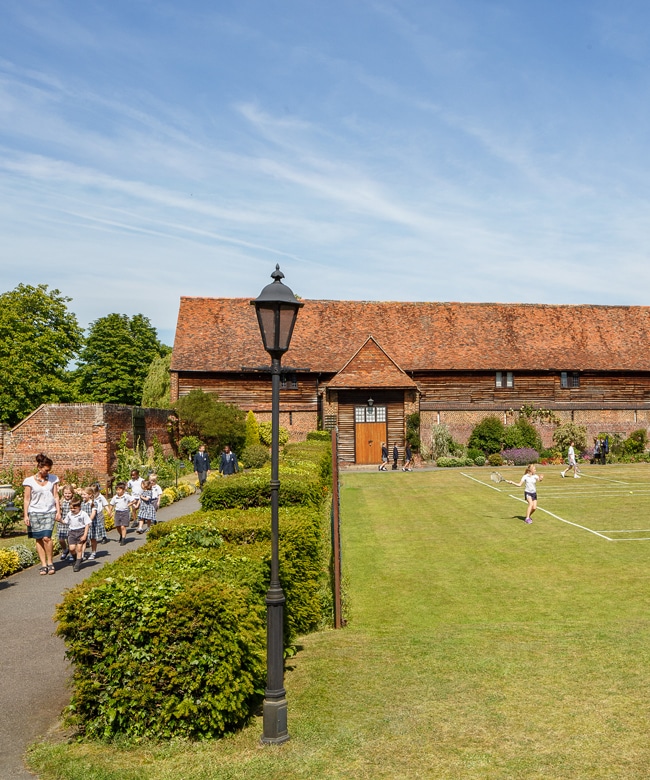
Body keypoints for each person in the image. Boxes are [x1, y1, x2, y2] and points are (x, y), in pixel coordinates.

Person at [23, 453, 61, 575]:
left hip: (49, 511)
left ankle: (50, 562)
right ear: (39, 467)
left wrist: (58, 511)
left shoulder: (53, 478)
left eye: (49, 470)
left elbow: (56, 496)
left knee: (47, 537)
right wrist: (26, 515)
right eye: (46, 470)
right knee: (39, 538)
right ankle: (43, 564)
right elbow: (27, 499)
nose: (47, 472)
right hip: (34, 512)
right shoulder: (29, 481)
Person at [62, 496, 92, 572]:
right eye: (71, 508)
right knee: (71, 549)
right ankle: (76, 559)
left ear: (79, 507)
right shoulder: (69, 514)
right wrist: (59, 520)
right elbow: (65, 521)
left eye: (74, 508)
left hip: (81, 531)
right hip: (72, 532)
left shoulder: (83, 514)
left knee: (79, 549)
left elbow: (87, 524)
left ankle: (77, 564)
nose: (72, 510)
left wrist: (85, 535)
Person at [81, 487, 99, 560]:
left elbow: (93, 513)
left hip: (91, 524)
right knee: (83, 539)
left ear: (90, 495)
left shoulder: (93, 503)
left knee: (92, 539)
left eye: (84, 494)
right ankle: (81, 554)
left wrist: (88, 521)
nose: (83, 496)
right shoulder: (82, 503)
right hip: (83, 524)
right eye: (82, 494)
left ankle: (93, 552)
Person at [58, 484, 74, 561]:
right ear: (63, 493)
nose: (67, 495)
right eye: (66, 493)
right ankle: (65, 550)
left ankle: (71, 553)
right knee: (61, 539)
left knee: (69, 539)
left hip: (70, 522)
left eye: (69, 493)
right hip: (62, 522)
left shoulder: (73, 502)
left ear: (72, 493)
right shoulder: (61, 502)